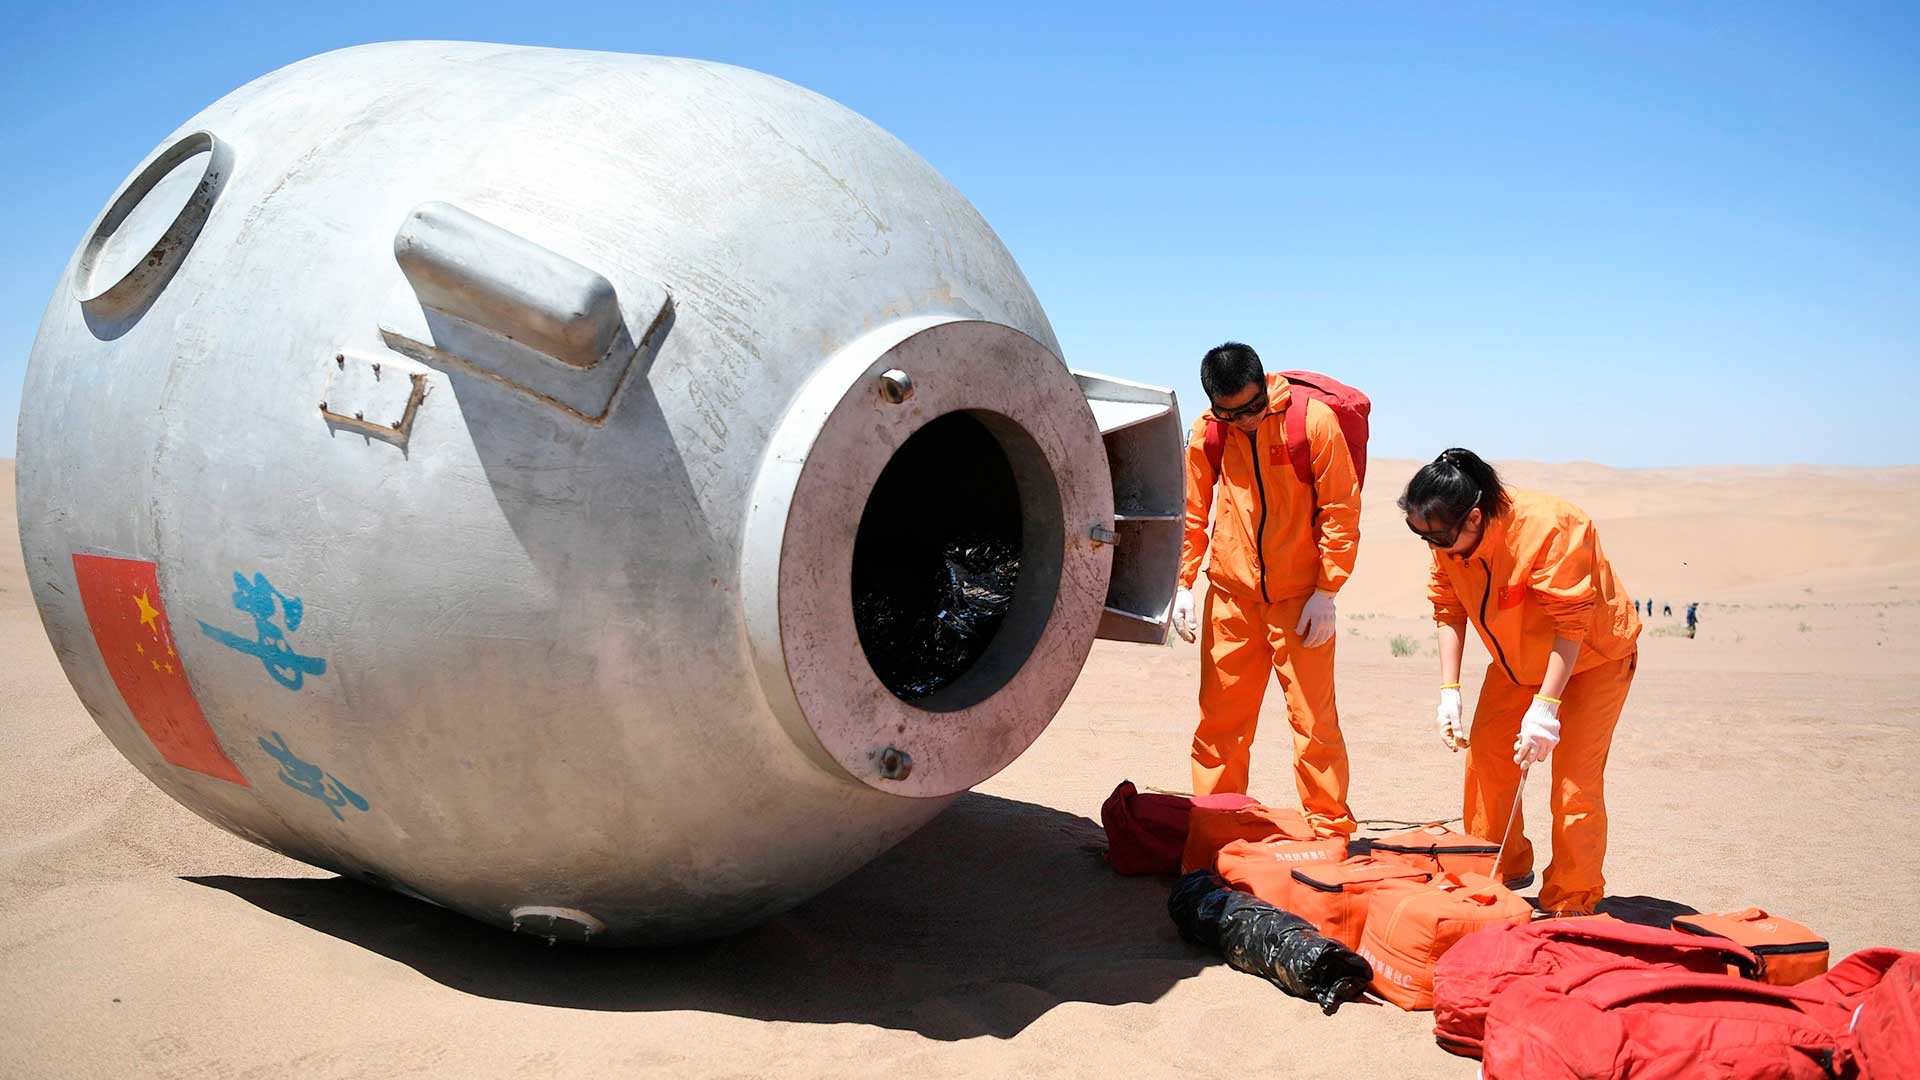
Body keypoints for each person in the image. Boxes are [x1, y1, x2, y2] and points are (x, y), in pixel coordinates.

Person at [1401, 448, 1641, 915]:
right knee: (1488, 754)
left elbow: (1571, 625)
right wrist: (1449, 690)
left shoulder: (1552, 528)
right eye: (1420, 534)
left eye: (1438, 536)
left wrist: (1546, 707)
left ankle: (1573, 897)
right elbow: (1447, 609)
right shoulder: (1445, 538)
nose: (1433, 546)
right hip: (1518, 662)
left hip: (1593, 658)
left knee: (1573, 782)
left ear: (1473, 517)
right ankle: (1495, 867)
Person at [1169, 342, 1361, 838]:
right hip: (1232, 600)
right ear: (1215, 405)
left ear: (1264, 384)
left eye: (1254, 408)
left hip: (1301, 602)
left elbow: (1341, 509)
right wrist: (1183, 584)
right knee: (1220, 726)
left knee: (1314, 724)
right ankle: (1218, 828)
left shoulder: (1312, 422)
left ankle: (1329, 831)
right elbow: (1191, 514)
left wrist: (1327, 590)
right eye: (1234, 414)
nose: (1248, 421)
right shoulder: (1208, 433)